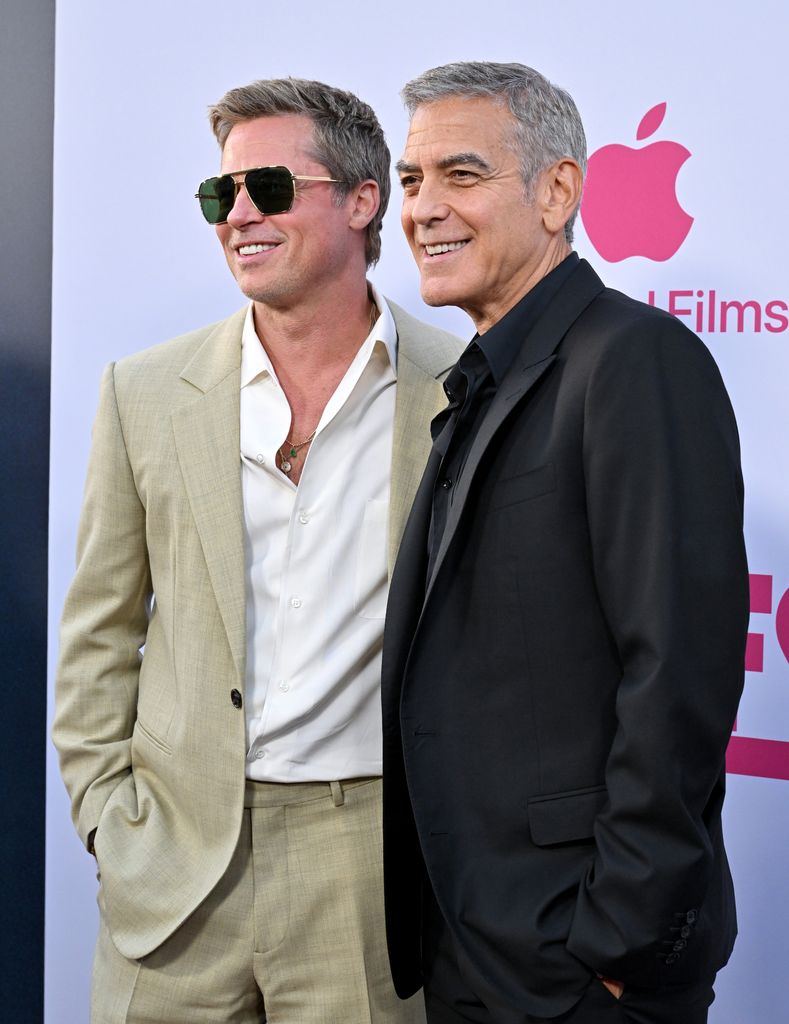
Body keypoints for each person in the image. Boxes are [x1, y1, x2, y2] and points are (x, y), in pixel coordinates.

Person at [53, 76, 461, 1024]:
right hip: (176, 861)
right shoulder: (144, 390)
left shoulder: (457, 387)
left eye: (268, 188)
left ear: (362, 201)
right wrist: (108, 820)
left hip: (364, 869)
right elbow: (97, 631)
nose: (238, 214)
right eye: (219, 195)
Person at [381, 61, 749, 1024]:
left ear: (556, 192)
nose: (422, 209)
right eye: (412, 180)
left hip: (574, 967)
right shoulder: (483, 378)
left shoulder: (633, 360)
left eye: (460, 176)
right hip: (470, 945)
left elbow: (677, 671)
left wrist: (616, 946)